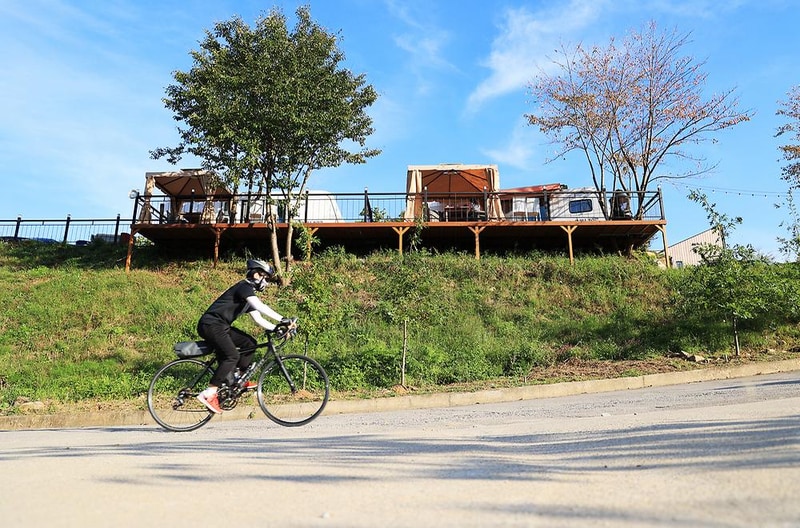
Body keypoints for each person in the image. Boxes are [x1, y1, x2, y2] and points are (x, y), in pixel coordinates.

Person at [196, 258, 295, 414]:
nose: (266, 282)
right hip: (210, 324)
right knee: (232, 356)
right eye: (265, 278)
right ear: (256, 274)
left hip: (221, 326)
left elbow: (258, 318)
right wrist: (283, 319)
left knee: (249, 343)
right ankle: (209, 393)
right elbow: (260, 306)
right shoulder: (244, 287)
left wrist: (277, 328)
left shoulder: (247, 295)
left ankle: (238, 379)